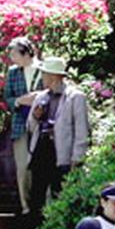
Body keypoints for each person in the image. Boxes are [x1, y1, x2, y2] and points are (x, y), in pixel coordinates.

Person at [26, 57, 89, 217]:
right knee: (36, 194)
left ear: (53, 76)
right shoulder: (41, 97)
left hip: (61, 152)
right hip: (42, 148)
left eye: (44, 74)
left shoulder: (75, 97)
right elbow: (31, 127)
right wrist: (35, 116)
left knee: (59, 194)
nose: (42, 77)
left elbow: (81, 129)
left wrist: (78, 157)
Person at [4, 37, 43, 217]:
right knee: (22, 166)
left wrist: (38, 98)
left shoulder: (43, 69)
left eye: (14, 53)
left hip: (41, 123)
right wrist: (19, 101)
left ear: (26, 53)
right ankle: (25, 206)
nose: (11, 57)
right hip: (20, 122)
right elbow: (8, 98)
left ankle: (43, 205)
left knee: (42, 164)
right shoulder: (13, 72)